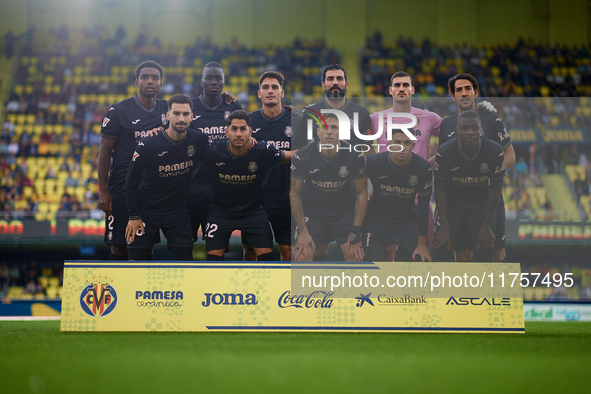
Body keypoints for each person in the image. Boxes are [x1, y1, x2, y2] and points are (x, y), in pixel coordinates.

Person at [438, 73, 515, 262]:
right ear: (452, 95)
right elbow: (443, 159)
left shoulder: (492, 119)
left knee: (496, 254)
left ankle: (491, 292)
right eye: (459, 90)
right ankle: (467, 293)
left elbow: (510, 156)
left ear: (476, 92)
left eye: (468, 89)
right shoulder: (446, 124)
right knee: (462, 255)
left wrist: (487, 174)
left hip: (487, 197)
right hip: (457, 200)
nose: (464, 93)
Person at [98, 60, 168, 260]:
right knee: (118, 246)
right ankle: (119, 290)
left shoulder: (168, 109)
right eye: (145, 77)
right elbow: (104, 152)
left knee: (145, 248)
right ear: (136, 81)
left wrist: (226, 97)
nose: (150, 81)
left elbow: (195, 112)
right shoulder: (119, 111)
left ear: (161, 84)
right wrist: (103, 190)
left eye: (155, 77)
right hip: (121, 186)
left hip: (152, 189)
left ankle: (140, 291)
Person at [200, 110, 292, 261]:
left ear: (250, 132)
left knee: (267, 260)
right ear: (226, 132)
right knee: (213, 263)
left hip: (253, 212)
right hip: (220, 212)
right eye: (234, 129)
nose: (238, 134)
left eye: (243, 129)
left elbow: (291, 156)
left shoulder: (261, 150)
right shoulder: (213, 150)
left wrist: (318, 148)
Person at [125, 95, 208, 260]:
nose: (181, 118)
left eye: (185, 114)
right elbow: (131, 181)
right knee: (135, 263)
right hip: (147, 210)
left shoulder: (199, 139)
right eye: (176, 113)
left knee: (185, 263)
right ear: (167, 115)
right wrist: (134, 216)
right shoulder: (148, 143)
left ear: (192, 117)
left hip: (177, 211)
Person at [371, 71, 441, 260]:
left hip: (418, 196)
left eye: (405, 85)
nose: (401, 89)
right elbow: (356, 139)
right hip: (385, 195)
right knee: (385, 256)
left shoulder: (429, 118)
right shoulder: (376, 118)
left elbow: (452, 140)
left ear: (412, 90)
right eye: (397, 85)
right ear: (390, 90)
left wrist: (430, 164)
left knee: (417, 254)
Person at [243, 71, 304, 261]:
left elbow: (305, 157)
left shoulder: (297, 121)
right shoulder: (248, 122)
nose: (270, 91)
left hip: (285, 196)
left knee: (287, 252)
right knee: (250, 251)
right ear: (259, 93)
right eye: (266, 88)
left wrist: (272, 155)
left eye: (275, 87)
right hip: (254, 198)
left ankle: (286, 291)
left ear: (282, 93)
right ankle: (250, 291)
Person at [291, 113, 368, 262]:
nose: (329, 131)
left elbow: (362, 193)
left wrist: (356, 231)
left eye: (334, 127)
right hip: (313, 211)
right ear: (318, 131)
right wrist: (302, 230)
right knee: (302, 255)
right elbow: (294, 194)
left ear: (341, 132)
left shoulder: (354, 156)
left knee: (356, 256)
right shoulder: (303, 156)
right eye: (324, 127)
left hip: (343, 211)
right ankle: (309, 286)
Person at [433, 111, 505, 262]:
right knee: (440, 245)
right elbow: (440, 189)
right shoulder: (445, 151)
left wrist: (486, 226)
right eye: (465, 128)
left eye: (474, 128)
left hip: (480, 204)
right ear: (458, 130)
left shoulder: (494, 150)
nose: (470, 132)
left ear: (481, 130)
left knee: (485, 245)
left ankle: (481, 285)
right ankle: (441, 285)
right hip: (452, 204)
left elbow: (496, 188)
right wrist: (444, 227)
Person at [187, 62, 243, 248]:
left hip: (222, 193)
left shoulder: (233, 106)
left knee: (217, 250)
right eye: (209, 77)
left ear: (224, 83)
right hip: (191, 190)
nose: (213, 81)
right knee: (184, 247)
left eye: (218, 78)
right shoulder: (189, 107)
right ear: (201, 81)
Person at [363, 128, 432, 262]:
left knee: (420, 259)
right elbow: (357, 189)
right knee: (370, 264)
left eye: (407, 143)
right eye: (397, 142)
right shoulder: (373, 162)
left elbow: (423, 207)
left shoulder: (423, 167)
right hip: (377, 221)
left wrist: (422, 244)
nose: (402, 147)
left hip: (406, 220)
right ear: (389, 144)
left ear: (413, 145)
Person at [301, 64, 372, 148]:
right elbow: (304, 150)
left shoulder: (362, 113)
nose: (335, 82)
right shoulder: (310, 113)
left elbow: (368, 151)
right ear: (323, 85)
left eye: (339, 79)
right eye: (330, 79)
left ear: (346, 84)